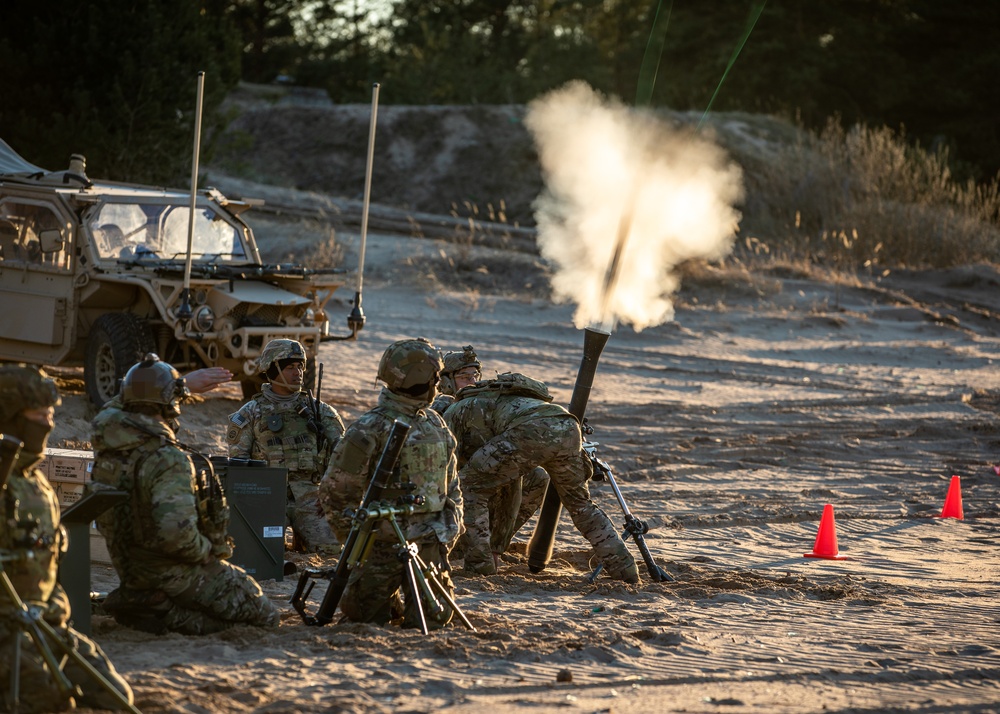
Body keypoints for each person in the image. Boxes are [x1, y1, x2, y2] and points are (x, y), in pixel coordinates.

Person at [90, 354, 279, 635]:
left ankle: (144, 601)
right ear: (171, 404)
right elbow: (176, 536)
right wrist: (208, 553)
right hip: (173, 575)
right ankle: (166, 613)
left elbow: (112, 408)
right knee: (264, 613)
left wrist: (179, 384)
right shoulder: (168, 460)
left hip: (131, 569)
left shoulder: (108, 446)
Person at [0, 364, 134, 712]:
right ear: (11, 417)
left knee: (116, 697)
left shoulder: (35, 482)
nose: (48, 423)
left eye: (50, 413)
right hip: (7, 630)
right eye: (38, 414)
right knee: (45, 699)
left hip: (46, 624)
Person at [318, 338, 463, 629]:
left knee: (436, 618)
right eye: (435, 377)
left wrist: (447, 532)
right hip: (379, 545)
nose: (438, 384)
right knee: (364, 616)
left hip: (429, 546)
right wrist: (357, 545)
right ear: (420, 379)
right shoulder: (371, 427)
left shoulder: (435, 423)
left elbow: (452, 488)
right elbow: (337, 494)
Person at [444, 373, 638, 582]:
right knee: (581, 505)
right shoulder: (506, 398)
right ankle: (625, 570)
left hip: (529, 430)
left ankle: (479, 566)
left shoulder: (456, 409)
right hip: (567, 425)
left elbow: (446, 463)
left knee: (468, 487)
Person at [227, 339, 346, 553]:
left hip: (311, 496)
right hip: (267, 496)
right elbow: (238, 465)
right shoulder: (250, 412)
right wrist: (251, 502)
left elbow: (343, 456)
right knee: (263, 550)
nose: (298, 372)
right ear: (272, 370)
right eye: (290, 367)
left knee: (331, 549)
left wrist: (331, 494)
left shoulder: (321, 411)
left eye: (300, 366)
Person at [432, 345, 549, 557]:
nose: (472, 382)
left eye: (475, 375)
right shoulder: (441, 408)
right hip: (453, 490)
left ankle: (491, 543)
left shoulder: (485, 406)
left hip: (484, 483)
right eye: (464, 376)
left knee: (536, 477)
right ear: (447, 382)